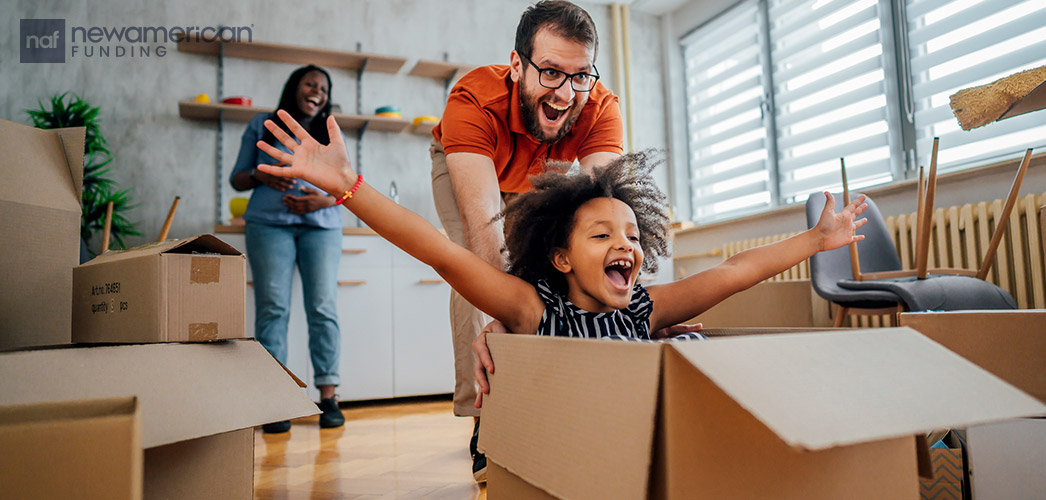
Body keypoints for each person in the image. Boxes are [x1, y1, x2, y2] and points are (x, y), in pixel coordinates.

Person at [253, 109, 869, 433]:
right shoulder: (533, 311)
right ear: (562, 256)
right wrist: (347, 185)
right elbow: (440, 252)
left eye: (631, 234)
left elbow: (734, 271)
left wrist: (815, 239)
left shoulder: (642, 310)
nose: (623, 243)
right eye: (601, 234)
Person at [429, 1, 639, 480]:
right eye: (550, 72)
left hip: (535, 172)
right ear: (517, 65)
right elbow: (485, 234)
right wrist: (507, 315)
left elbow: (608, 226)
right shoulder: (473, 101)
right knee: (476, 272)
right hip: (466, 165)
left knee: (563, 261)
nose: (566, 93)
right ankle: (487, 416)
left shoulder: (600, 106)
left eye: (580, 75)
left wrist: (628, 315)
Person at [229, 65, 346, 433]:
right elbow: (237, 177)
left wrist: (321, 202)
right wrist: (260, 174)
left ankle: (328, 397)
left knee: (323, 307)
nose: (318, 91)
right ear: (294, 87)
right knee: (273, 309)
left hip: (320, 227)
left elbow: (349, 187)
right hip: (269, 224)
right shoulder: (262, 124)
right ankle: (275, 399)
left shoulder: (329, 132)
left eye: (324, 88)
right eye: (311, 84)